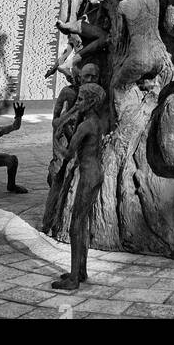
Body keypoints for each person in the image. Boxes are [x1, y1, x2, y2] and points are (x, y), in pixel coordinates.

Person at [51, 84, 107, 292]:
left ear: (92, 102)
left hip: (89, 176)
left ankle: (74, 278)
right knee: (81, 223)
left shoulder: (86, 125)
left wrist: (57, 140)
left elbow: (68, 153)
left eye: (82, 99)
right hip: (94, 173)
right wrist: (72, 116)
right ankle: (80, 270)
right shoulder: (93, 121)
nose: (77, 103)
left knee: (76, 225)